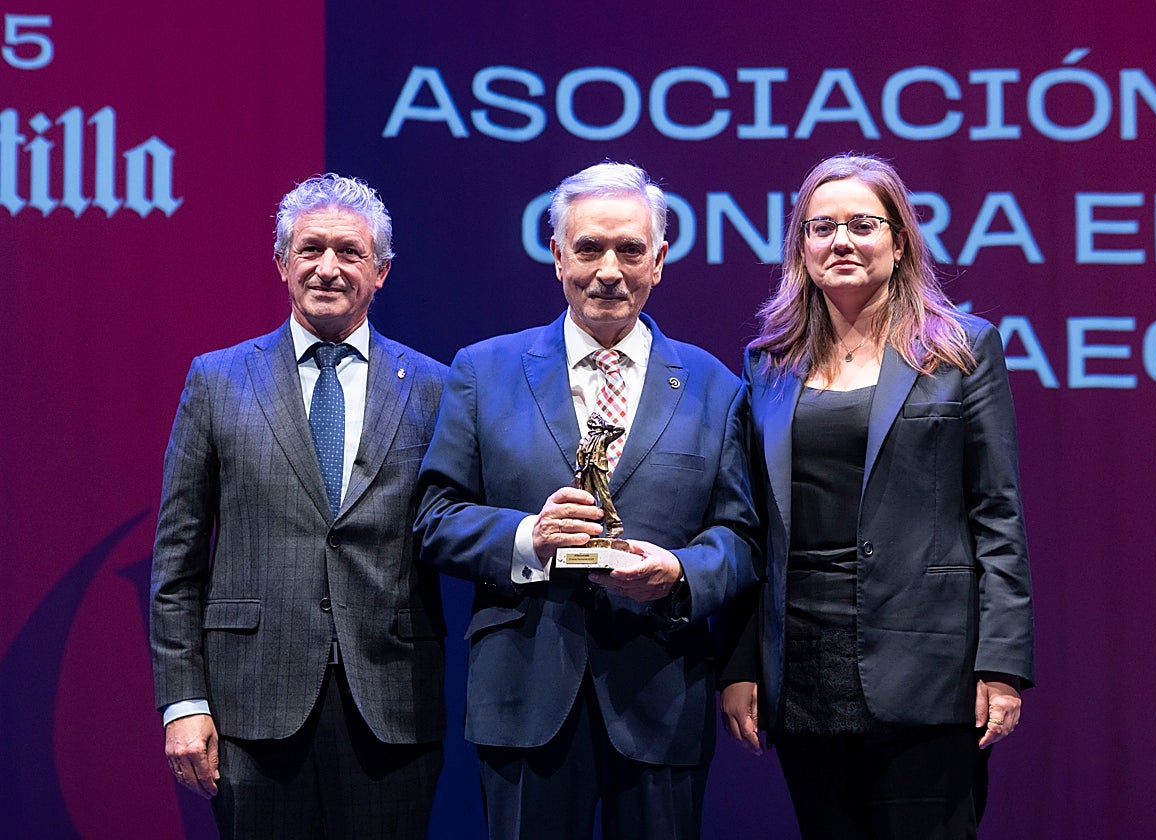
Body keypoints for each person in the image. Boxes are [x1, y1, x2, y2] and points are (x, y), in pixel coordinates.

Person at [415, 162, 758, 840]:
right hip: (524, 693)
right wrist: (527, 539)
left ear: (659, 260)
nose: (609, 269)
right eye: (589, 248)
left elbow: (743, 539)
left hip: (662, 691)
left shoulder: (718, 388)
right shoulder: (482, 372)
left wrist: (681, 573)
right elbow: (434, 519)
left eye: (630, 250)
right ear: (557, 256)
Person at [720, 154, 1034, 839]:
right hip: (802, 662)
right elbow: (752, 529)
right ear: (800, 248)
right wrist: (740, 665)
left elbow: (996, 515)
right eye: (820, 226)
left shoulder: (960, 349)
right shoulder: (767, 361)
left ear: (898, 241)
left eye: (862, 225)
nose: (841, 241)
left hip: (927, 664)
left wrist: (1002, 666)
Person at [149, 174, 447, 839]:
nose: (329, 267)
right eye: (311, 249)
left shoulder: (435, 387)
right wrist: (183, 701)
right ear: (282, 262)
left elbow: (458, 526)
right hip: (250, 708)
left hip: (393, 706)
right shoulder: (219, 380)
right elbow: (177, 559)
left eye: (350, 251)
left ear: (382, 271)